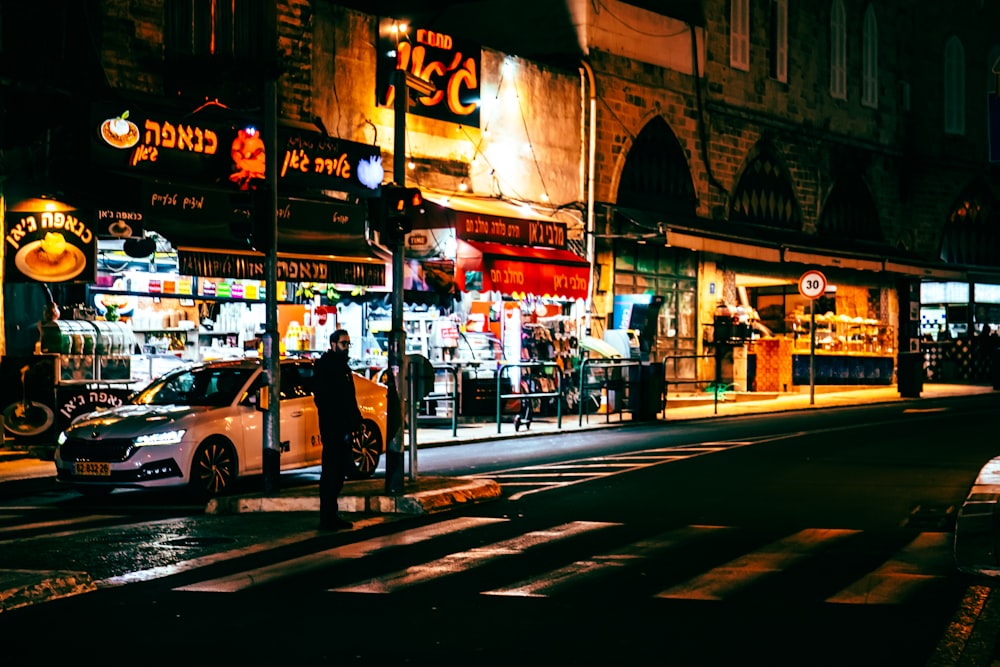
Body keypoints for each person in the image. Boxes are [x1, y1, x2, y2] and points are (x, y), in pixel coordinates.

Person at [312, 329, 363, 530]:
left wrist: (356, 421)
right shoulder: (326, 366)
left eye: (348, 343)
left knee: (340, 472)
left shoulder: (343, 367)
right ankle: (327, 516)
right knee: (332, 472)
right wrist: (339, 421)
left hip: (343, 427)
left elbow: (350, 397)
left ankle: (331, 514)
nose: (346, 347)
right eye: (343, 343)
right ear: (333, 344)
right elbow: (325, 399)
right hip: (333, 427)